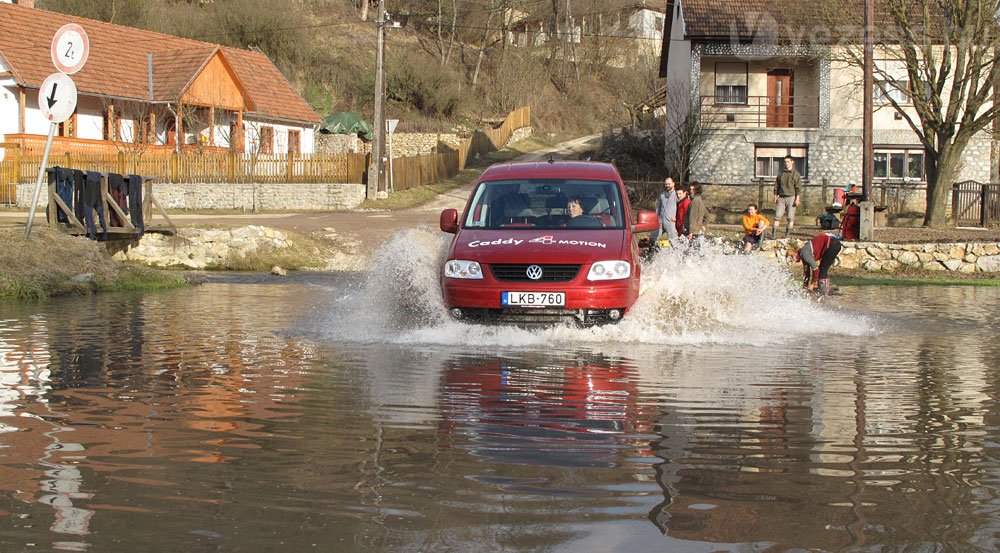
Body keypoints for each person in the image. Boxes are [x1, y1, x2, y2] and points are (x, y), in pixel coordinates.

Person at [772, 155, 802, 239]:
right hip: (781, 197)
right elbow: (776, 185)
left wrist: (797, 198)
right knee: (777, 216)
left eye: (788, 161)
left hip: (791, 197)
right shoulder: (781, 174)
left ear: (792, 162)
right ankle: (773, 235)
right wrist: (775, 195)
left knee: (790, 217)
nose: (786, 163)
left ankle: (787, 236)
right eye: (785, 162)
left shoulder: (796, 174)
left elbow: (798, 187)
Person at [650, 177, 679, 246]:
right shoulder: (662, 194)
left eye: (669, 184)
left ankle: (676, 254)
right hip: (660, 221)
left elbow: (681, 208)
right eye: (666, 184)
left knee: (674, 241)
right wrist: (656, 217)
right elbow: (658, 207)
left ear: (673, 184)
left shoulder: (677, 194)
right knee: (653, 238)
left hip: (670, 222)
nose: (667, 185)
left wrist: (676, 217)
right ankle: (651, 253)